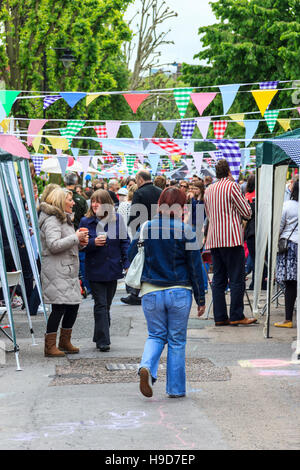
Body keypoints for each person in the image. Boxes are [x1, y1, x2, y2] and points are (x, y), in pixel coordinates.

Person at [128, 187, 206, 398]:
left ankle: (146, 366)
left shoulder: (145, 228)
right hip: (179, 291)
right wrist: (201, 297)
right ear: (181, 207)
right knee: (177, 341)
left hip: (151, 291)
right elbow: (195, 267)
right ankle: (175, 389)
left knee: (155, 335)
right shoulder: (186, 230)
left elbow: (130, 255)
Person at [204, 159, 257, 326]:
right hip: (232, 238)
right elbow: (246, 211)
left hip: (214, 238)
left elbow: (208, 213)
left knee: (218, 278)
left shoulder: (209, 189)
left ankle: (220, 317)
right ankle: (236, 315)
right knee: (236, 278)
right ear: (228, 172)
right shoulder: (232, 186)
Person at [39, 188, 89, 357]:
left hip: (66, 269)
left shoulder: (63, 218)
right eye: (70, 199)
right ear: (61, 201)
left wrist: (81, 242)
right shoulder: (53, 219)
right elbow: (53, 245)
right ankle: (50, 346)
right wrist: (76, 237)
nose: (73, 202)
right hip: (57, 270)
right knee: (59, 307)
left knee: (73, 305)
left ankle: (64, 341)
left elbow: (66, 242)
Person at [79, 190, 130, 351]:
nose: (95, 205)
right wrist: (93, 243)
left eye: (99, 202)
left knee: (106, 305)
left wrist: (127, 263)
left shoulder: (117, 219)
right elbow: (80, 246)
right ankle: (103, 341)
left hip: (113, 269)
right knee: (100, 304)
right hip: (95, 270)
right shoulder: (85, 221)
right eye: (93, 201)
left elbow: (124, 242)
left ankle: (99, 334)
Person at [123, 171, 162, 305]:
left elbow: (134, 215)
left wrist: (133, 232)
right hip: (160, 230)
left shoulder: (139, 193)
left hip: (143, 231)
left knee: (139, 260)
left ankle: (135, 293)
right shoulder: (160, 191)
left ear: (139, 180)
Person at [275, 180, 298, 328]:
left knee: (290, 284)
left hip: (290, 248)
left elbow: (278, 227)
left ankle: (288, 319)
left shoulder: (287, 206)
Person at [244, 174, 267, 291]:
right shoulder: (263, 195)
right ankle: (262, 282)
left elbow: (245, 215)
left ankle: (255, 283)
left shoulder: (246, 196)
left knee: (254, 259)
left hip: (251, 232)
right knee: (263, 258)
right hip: (262, 229)